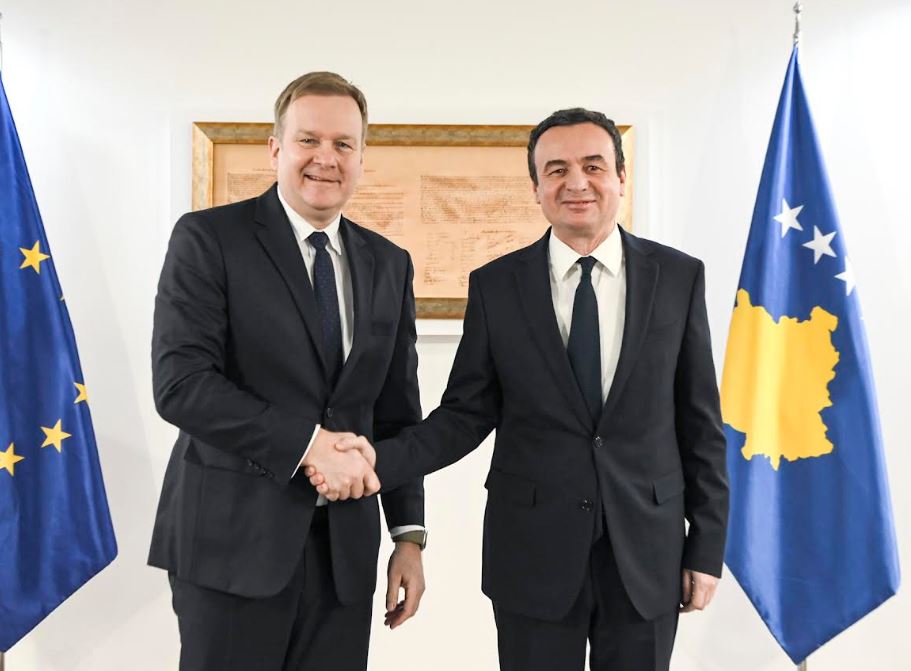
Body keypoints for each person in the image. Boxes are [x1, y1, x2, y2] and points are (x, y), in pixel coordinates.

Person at [310, 108, 729, 671]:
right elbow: (463, 416)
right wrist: (374, 462)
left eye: (593, 166)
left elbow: (700, 423)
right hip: (533, 556)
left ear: (620, 178)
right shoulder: (496, 286)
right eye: (556, 170)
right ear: (536, 188)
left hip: (648, 554)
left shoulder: (678, 277)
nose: (576, 183)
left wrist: (707, 546)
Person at [149, 71, 428, 671]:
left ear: (361, 157)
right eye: (308, 140)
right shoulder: (209, 239)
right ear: (275, 149)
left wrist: (408, 535)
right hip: (231, 547)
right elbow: (181, 386)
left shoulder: (389, 263)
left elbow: (396, 411)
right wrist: (310, 446)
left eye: (343, 144)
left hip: (344, 557)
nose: (326, 158)